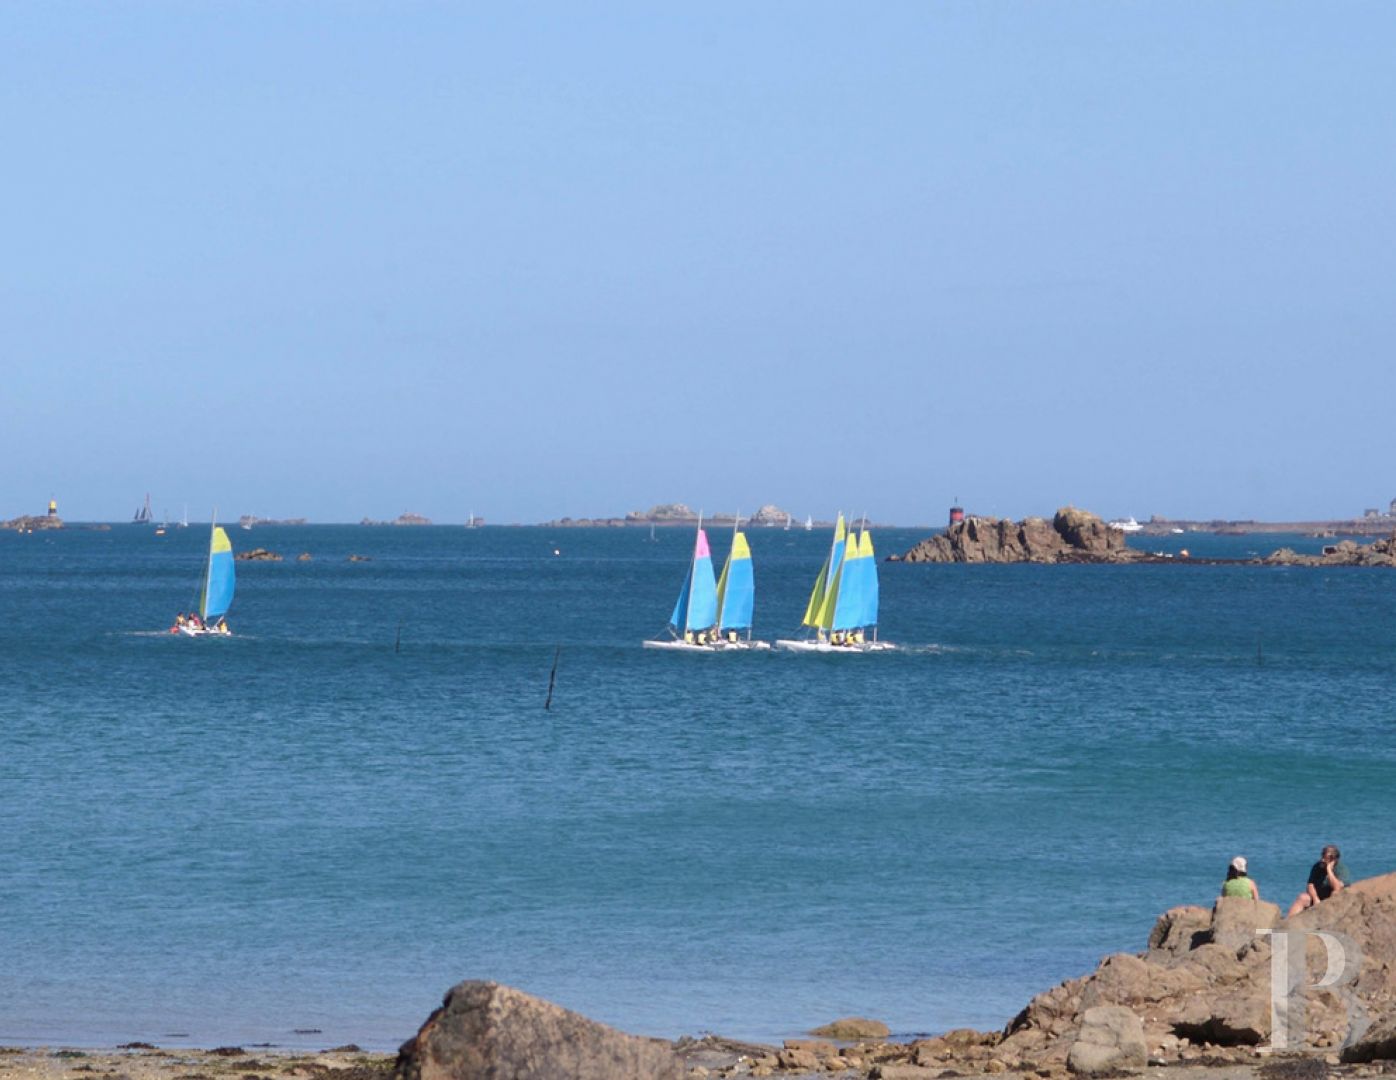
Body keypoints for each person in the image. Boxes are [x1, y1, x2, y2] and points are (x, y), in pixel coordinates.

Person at [1288, 845, 1349, 916]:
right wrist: (1315, 898)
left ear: (1334, 860)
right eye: (1322, 856)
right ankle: (1287, 922)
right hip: (1318, 898)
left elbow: (1337, 888)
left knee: (1335, 893)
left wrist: (1329, 870)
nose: (1322, 860)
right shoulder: (1317, 866)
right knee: (1302, 897)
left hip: (1334, 900)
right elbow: (1310, 885)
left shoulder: (1341, 869)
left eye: (1326, 858)